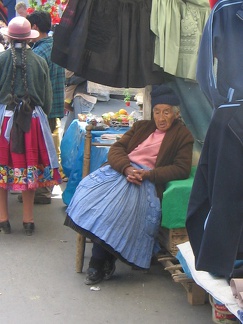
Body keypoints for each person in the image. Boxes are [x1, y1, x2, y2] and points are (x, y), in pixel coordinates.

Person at [64, 84, 194, 285]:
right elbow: (117, 149)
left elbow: (181, 168)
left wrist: (149, 174)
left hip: (146, 180)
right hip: (121, 171)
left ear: (175, 114)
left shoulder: (183, 136)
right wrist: (126, 168)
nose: (161, 117)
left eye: (166, 112)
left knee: (117, 207)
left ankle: (98, 262)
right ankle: (106, 258)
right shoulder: (142, 127)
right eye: (157, 112)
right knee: (89, 192)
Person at [0, 16, 61, 235]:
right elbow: (46, 98)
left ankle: (3, 219)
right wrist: (40, 116)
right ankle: (28, 220)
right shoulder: (39, 61)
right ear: (28, 39)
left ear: (9, 37)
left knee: (2, 169)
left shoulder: (1, 59)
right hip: (32, 121)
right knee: (29, 168)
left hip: (5, 120)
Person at [17, 10, 65, 204]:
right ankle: (43, 190)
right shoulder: (54, 46)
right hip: (53, 107)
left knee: (39, 151)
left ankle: (42, 192)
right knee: (47, 149)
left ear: (35, 28)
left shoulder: (38, 52)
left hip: (43, 108)